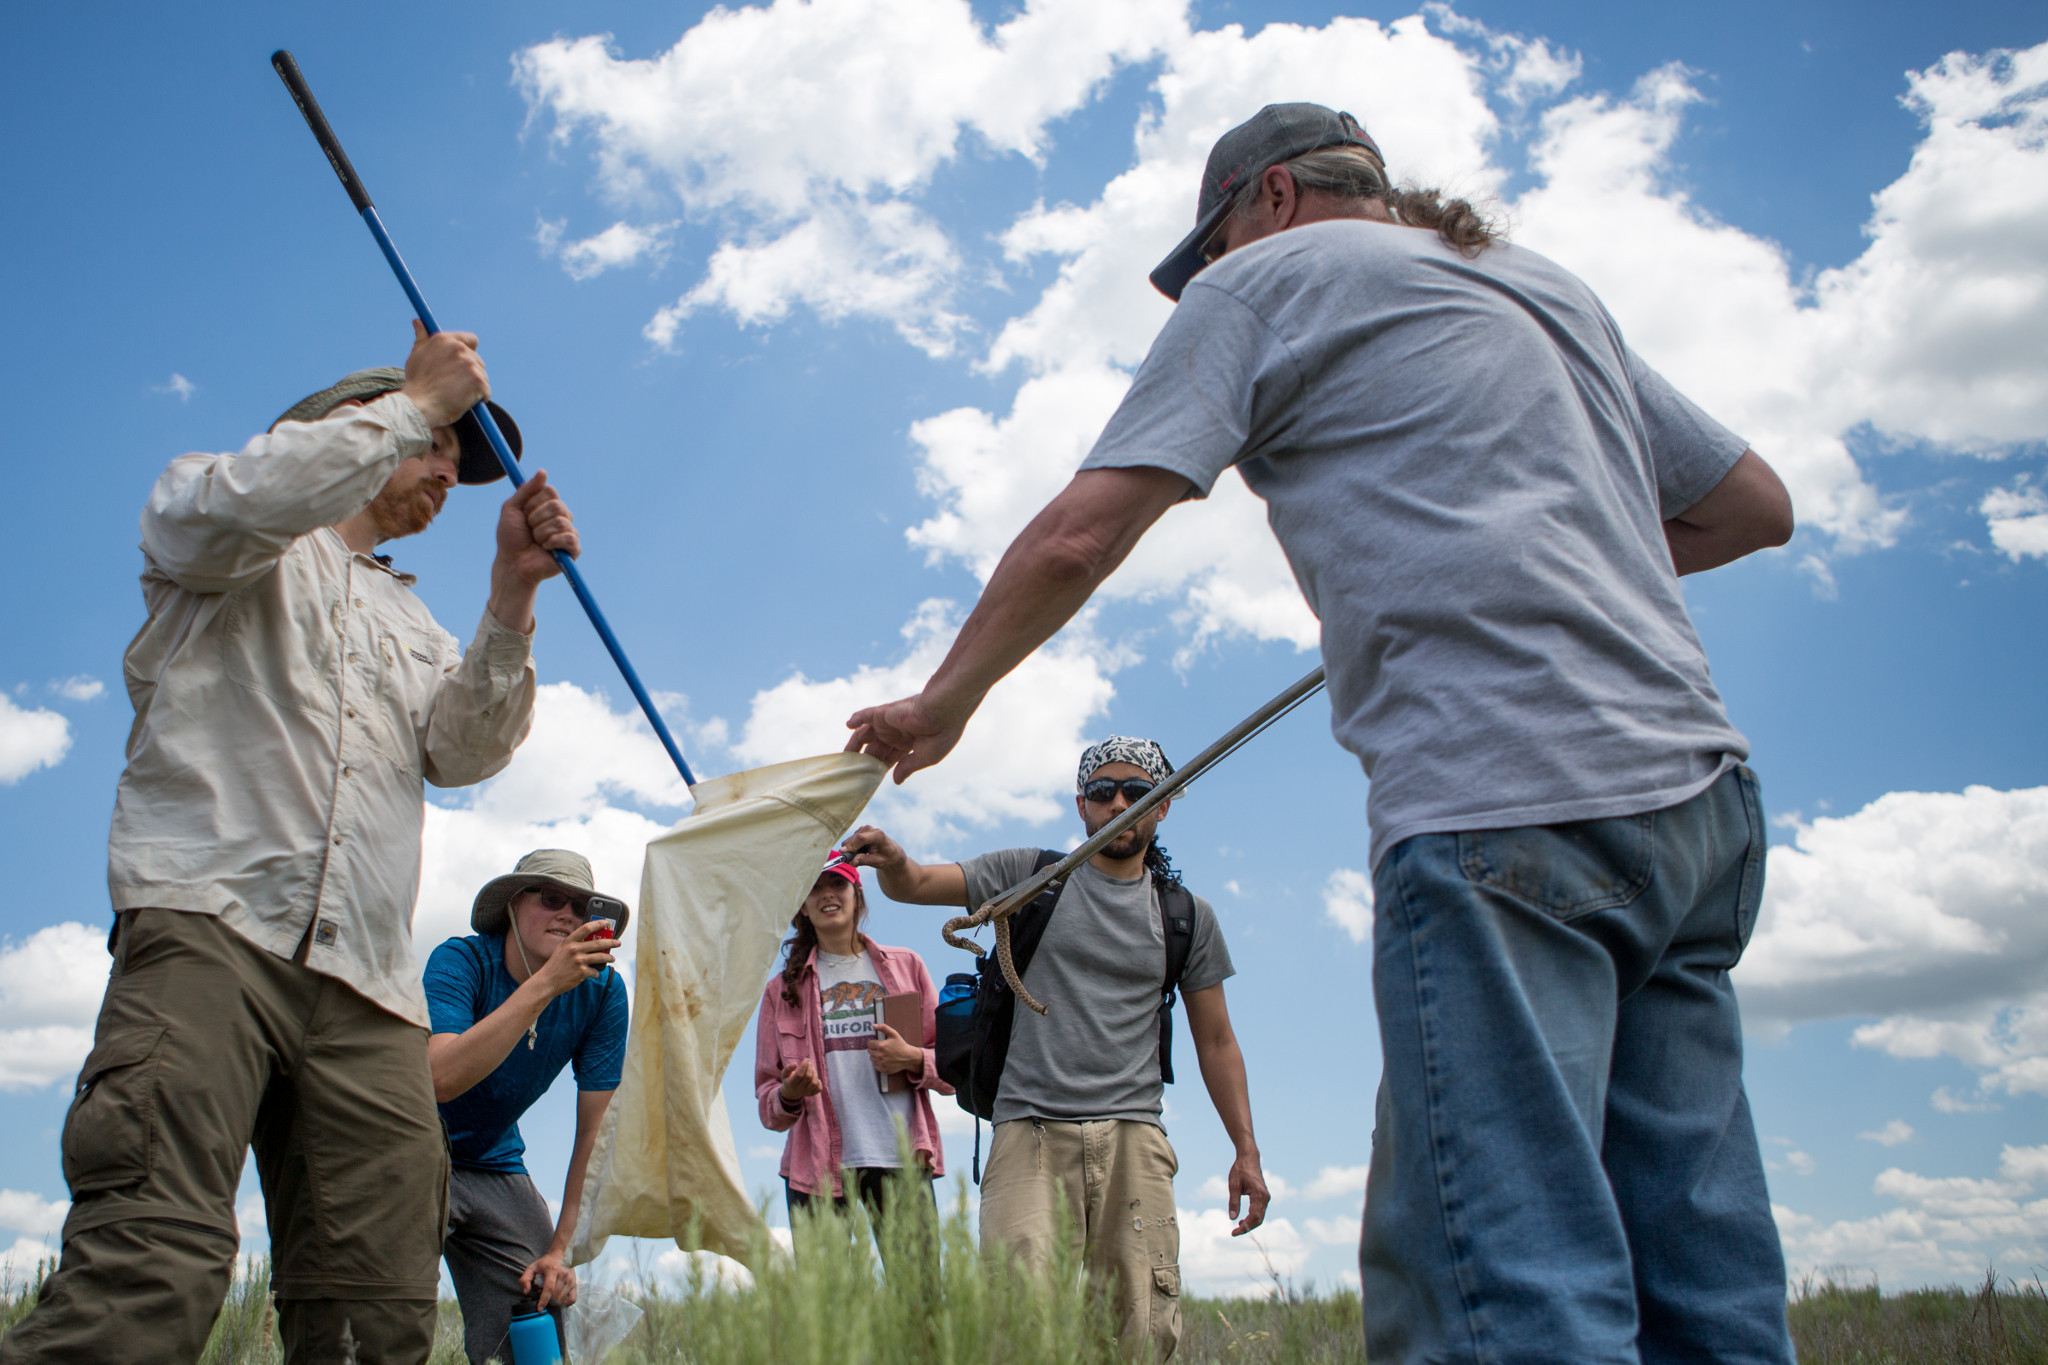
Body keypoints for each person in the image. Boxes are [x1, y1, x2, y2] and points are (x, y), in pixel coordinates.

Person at [844, 103, 1799, 1365]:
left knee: (1500, 1274)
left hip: (1501, 797)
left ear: (1274, 197)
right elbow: (1751, 508)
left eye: (1217, 240)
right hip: (1700, 807)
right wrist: (1542, 560)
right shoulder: (1536, 283)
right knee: (1696, 1255)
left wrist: (943, 701)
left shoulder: (1269, 281)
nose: (1214, 272)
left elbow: (1084, 530)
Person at [0, 323, 578, 1365]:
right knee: (152, 1259)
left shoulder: (410, 619)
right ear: (350, 425)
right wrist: (410, 400)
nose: (450, 469)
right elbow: (245, 504)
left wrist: (511, 594)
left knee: (377, 1311)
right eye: (436, 440)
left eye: (458, 455)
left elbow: (461, 751)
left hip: (366, 985)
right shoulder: (220, 518)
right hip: (210, 926)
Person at [844, 736, 1267, 1362]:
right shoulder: (1032, 877)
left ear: (1163, 806)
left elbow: (1218, 1040)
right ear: (1082, 805)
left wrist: (1246, 1149)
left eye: (1136, 791)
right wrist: (896, 861)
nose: (1118, 802)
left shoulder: (1186, 917)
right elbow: (918, 885)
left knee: (1140, 1331)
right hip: (1029, 1134)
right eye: (1103, 792)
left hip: (1134, 1137)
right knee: (1018, 1327)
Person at [424, 849, 629, 1365]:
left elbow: (594, 1131)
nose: (568, 915)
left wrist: (560, 1248)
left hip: (494, 1160)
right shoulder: (460, 960)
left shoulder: (602, 993)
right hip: (413, 1146)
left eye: (583, 907)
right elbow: (440, 1077)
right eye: (552, 899)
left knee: (540, 1303)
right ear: (514, 906)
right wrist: (546, 984)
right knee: (385, 1309)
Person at [754, 850, 949, 1233]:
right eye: (814, 888)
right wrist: (790, 1093)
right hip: (815, 1168)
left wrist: (911, 1058)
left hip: (902, 1157)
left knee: (917, 1294)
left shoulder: (908, 966)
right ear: (802, 908)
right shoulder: (781, 991)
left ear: (857, 895)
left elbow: (954, 1069)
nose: (828, 894)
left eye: (838, 883)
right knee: (824, 1295)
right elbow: (768, 1104)